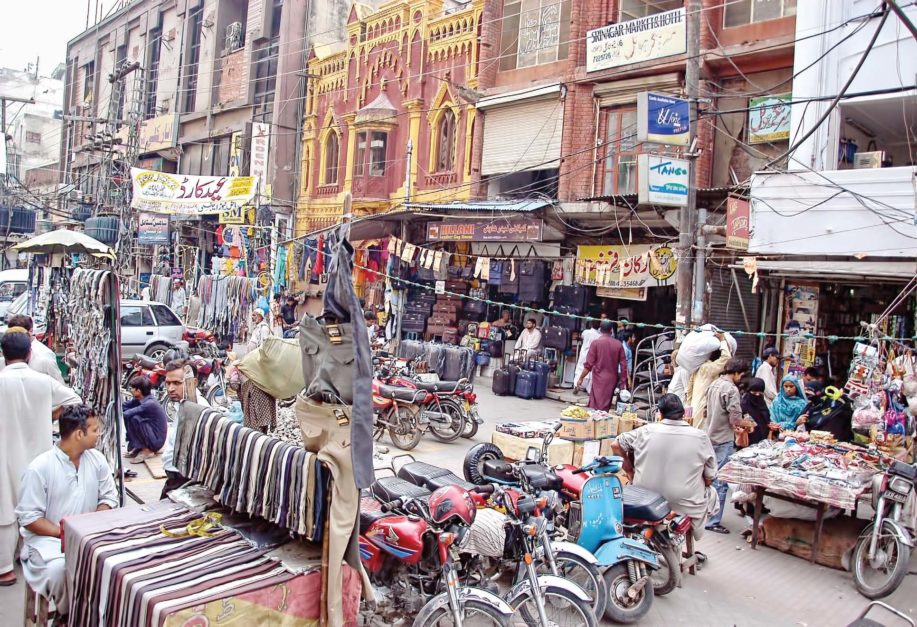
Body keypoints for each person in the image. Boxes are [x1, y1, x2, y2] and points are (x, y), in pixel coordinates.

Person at [15, 404, 118, 613]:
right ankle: (69, 615)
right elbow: (29, 518)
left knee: (115, 566)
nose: (99, 434)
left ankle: (97, 614)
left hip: (89, 538)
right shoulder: (40, 468)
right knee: (61, 571)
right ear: (79, 434)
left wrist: (88, 526)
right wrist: (63, 531)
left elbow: (109, 497)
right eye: (95, 430)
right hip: (47, 545)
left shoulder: (97, 460)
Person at [0, 330, 80, 587]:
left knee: (5, 505)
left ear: (3, 355)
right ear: (29, 353)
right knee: (35, 505)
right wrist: (50, 415)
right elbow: (74, 399)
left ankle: (4, 568)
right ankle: (31, 553)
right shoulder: (42, 382)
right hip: (37, 453)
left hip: (4, 452)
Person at [612, 394, 718, 538]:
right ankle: (693, 533)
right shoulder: (700, 437)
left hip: (644, 497)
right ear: (683, 414)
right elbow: (709, 478)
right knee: (712, 494)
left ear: (660, 414)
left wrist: (630, 471)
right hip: (683, 502)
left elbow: (616, 445)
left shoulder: (645, 431)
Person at [704, 358, 749, 534]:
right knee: (720, 482)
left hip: (710, 436)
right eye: (742, 375)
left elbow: (707, 411)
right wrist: (748, 425)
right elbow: (735, 418)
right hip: (723, 439)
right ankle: (713, 520)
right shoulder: (731, 389)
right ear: (737, 373)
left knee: (708, 479)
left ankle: (705, 515)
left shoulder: (714, 384)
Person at [160, 359, 209, 500]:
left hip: (185, 480)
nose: (170, 389)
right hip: (175, 478)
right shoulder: (182, 405)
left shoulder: (198, 409)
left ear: (193, 383)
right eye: (168, 383)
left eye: (176, 383)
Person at [575, 319, 628, 411]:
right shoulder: (618, 344)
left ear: (600, 329)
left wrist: (581, 378)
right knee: (605, 407)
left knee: (595, 406)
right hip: (611, 379)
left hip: (598, 378)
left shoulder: (596, 343)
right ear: (611, 330)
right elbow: (624, 367)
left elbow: (588, 365)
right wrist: (623, 384)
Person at [686, 332, 731, 430]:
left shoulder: (698, 368)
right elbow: (726, 357)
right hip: (703, 411)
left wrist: (688, 407)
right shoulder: (709, 368)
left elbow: (689, 390)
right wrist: (723, 341)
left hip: (694, 410)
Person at [0, 315, 64, 383]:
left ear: (31, 331)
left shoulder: (44, 355)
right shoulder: (6, 353)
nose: (15, 337)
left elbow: (59, 384)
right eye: (12, 333)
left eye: (19, 333)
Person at [121, 375, 168, 463]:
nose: (130, 390)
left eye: (132, 388)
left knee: (134, 418)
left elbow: (127, 413)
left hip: (156, 441)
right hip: (151, 435)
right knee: (132, 417)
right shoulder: (139, 399)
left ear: (138, 391)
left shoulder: (150, 403)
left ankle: (147, 451)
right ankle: (139, 447)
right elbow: (123, 406)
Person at [573, 319, 602, 394]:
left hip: (583, 354)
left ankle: (576, 385)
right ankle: (589, 390)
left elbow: (582, 337)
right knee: (591, 372)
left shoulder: (585, 332)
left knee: (579, 369)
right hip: (592, 355)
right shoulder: (599, 336)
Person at [740, 377, 771, 446]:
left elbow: (766, 417)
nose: (757, 395)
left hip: (763, 439)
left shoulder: (761, 402)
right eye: (754, 392)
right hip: (749, 440)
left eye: (760, 392)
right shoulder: (744, 405)